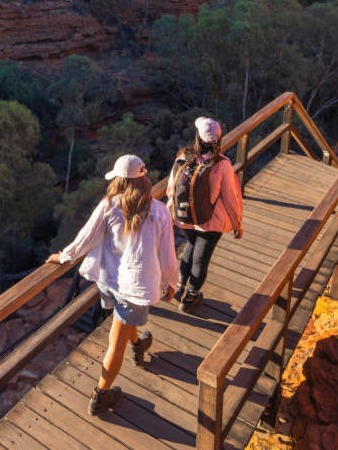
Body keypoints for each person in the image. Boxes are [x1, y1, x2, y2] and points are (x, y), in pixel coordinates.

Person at [48, 154, 178, 416]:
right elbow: (168, 255)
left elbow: (85, 238)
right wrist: (171, 283)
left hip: (109, 282)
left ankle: (138, 344)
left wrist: (64, 257)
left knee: (123, 324)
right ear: (144, 180)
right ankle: (101, 395)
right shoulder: (159, 212)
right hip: (135, 289)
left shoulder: (109, 205)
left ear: (119, 181)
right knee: (115, 342)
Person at [168, 116, 243, 312]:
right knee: (201, 259)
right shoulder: (222, 164)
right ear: (218, 139)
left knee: (190, 246)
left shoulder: (183, 157)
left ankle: (179, 287)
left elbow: (171, 188)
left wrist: (171, 213)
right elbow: (230, 198)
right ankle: (191, 299)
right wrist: (237, 224)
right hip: (211, 221)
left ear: (197, 137)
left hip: (185, 218)